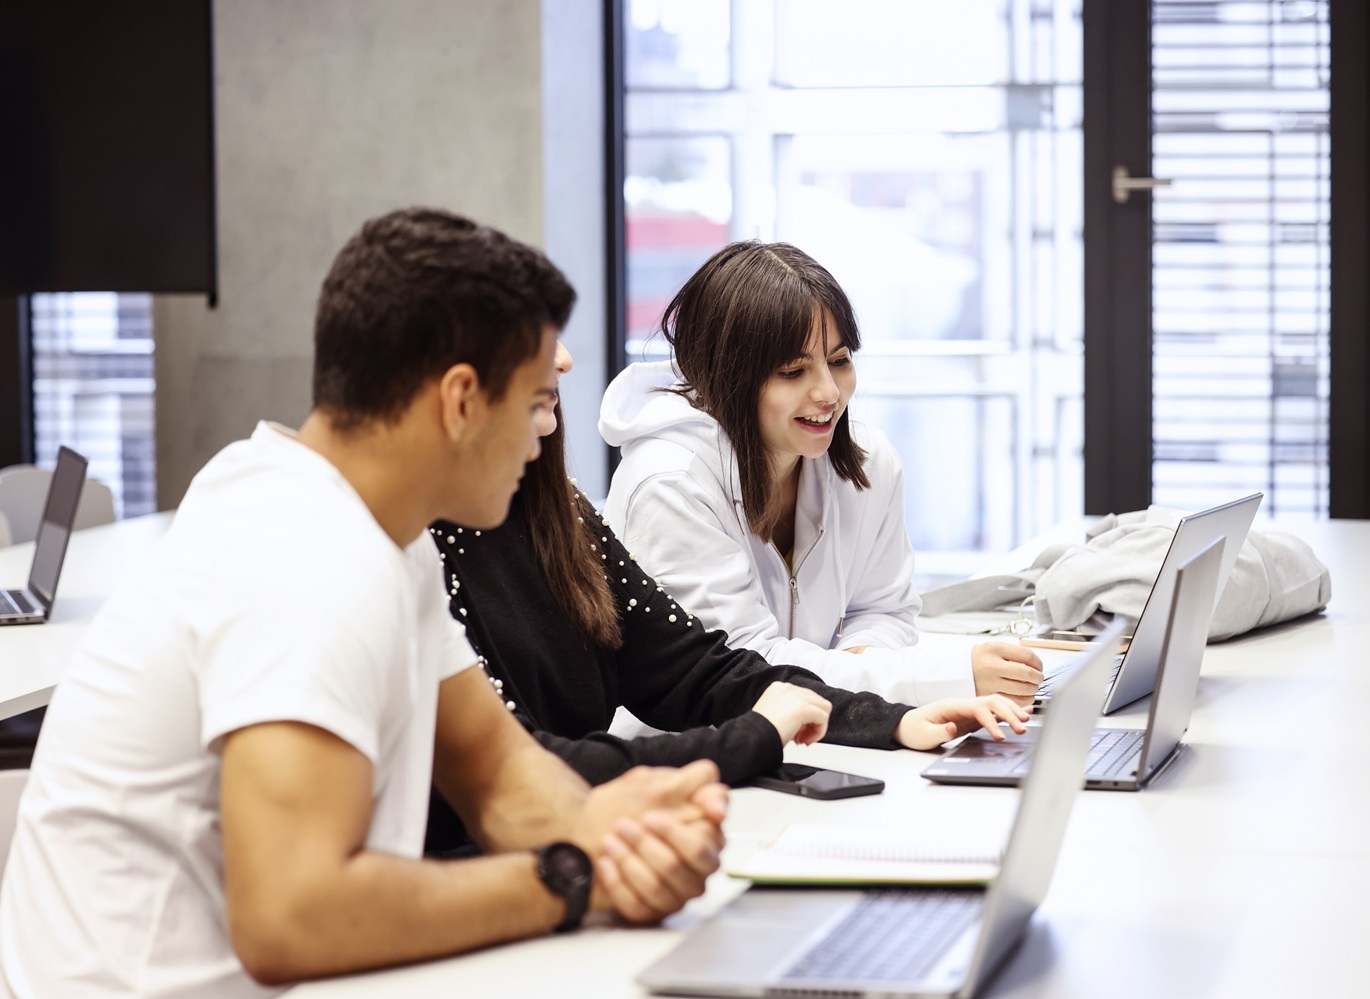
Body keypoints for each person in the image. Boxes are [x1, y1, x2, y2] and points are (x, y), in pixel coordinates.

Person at [0, 208, 727, 998]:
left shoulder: (379, 531)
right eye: (530, 404)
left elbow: (494, 770)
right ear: (459, 401)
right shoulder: (307, 551)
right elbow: (293, 917)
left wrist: (612, 834)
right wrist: (573, 878)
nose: (536, 442)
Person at [424, 343, 1030, 850]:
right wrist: (755, 736)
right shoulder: (415, 552)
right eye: (793, 370)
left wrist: (888, 720)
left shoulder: (552, 510)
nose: (563, 359)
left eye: (839, 360)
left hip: (577, 840)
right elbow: (533, 768)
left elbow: (696, 668)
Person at [600, 240, 1044, 708]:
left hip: (820, 729)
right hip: (694, 756)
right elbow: (739, 670)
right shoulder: (670, 484)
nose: (830, 392)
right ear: (724, 374)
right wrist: (935, 678)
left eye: (839, 360)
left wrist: (863, 674)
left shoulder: (868, 463)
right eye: (793, 371)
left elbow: (884, 610)